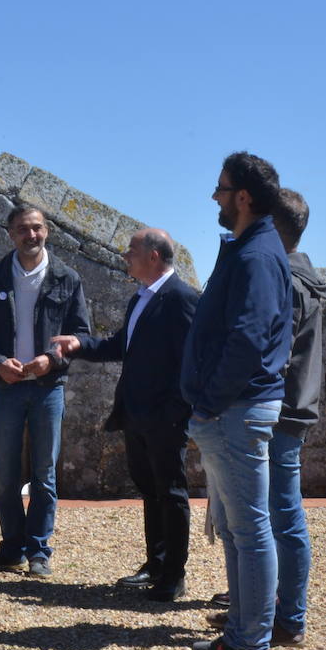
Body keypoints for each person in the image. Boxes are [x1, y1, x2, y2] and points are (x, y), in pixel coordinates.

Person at [181, 151, 291, 650]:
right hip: (233, 408)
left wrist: (209, 400)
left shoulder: (256, 255)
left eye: (221, 190)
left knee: (249, 530)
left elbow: (248, 338)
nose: (216, 199)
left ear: (243, 197)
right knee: (237, 529)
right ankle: (239, 636)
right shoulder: (248, 248)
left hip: (236, 409)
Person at [206, 188, 326, 647]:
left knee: (274, 516)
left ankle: (284, 618)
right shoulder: (303, 277)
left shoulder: (287, 282)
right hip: (291, 409)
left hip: (277, 411)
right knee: (276, 515)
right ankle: (269, 610)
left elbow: (269, 351)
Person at [51, 228, 199, 602]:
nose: (124, 254)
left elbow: (190, 362)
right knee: (151, 492)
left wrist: (175, 412)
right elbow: (122, 346)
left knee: (172, 493)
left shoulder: (181, 298)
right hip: (136, 414)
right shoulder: (141, 298)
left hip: (164, 418)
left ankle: (173, 577)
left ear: (153, 255)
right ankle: (156, 563)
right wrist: (79, 344)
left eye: (132, 249)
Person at [0, 204, 90, 578]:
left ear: (47, 231)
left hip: (47, 388)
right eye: (23, 229)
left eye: (36, 228)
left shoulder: (66, 278)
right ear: (10, 234)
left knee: (44, 473)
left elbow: (81, 334)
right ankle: (11, 547)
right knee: (4, 473)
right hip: (7, 387)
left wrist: (51, 360)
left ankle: (39, 551)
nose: (31, 235)